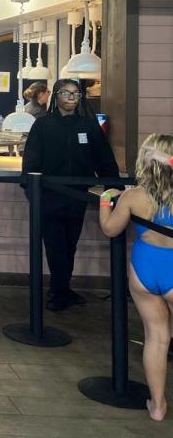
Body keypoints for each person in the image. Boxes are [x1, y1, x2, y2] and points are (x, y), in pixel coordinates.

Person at [22, 77, 119, 311]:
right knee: (55, 244)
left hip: (78, 196)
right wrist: (32, 192)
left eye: (75, 94)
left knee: (69, 243)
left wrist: (113, 188)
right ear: (56, 96)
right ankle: (58, 291)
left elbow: (104, 158)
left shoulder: (88, 126)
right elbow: (31, 162)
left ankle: (61, 289)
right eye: (66, 93)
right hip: (48, 195)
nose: (71, 98)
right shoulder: (43, 125)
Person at [99, 134, 173, 422]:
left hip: (144, 270)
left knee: (157, 338)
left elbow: (110, 229)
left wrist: (106, 201)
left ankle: (157, 406)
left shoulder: (133, 196)